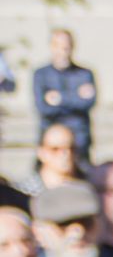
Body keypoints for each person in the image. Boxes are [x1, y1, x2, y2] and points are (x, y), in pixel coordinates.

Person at [33, 29, 95, 161]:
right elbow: (44, 109)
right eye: (59, 47)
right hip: (50, 142)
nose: (64, 52)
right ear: (51, 47)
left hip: (79, 141)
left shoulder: (84, 74)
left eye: (67, 47)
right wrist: (75, 96)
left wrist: (59, 98)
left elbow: (87, 103)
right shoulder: (41, 75)